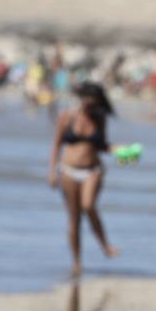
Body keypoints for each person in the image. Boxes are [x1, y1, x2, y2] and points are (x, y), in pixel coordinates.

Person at [47, 83, 121, 276]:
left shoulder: (100, 118)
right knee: (74, 219)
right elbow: (56, 144)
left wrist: (122, 152)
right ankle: (77, 261)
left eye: (93, 103)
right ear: (81, 99)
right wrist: (52, 171)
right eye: (86, 102)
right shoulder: (67, 116)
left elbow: (102, 145)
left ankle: (105, 245)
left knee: (88, 205)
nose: (89, 106)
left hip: (92, 170)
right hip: (69, 170)